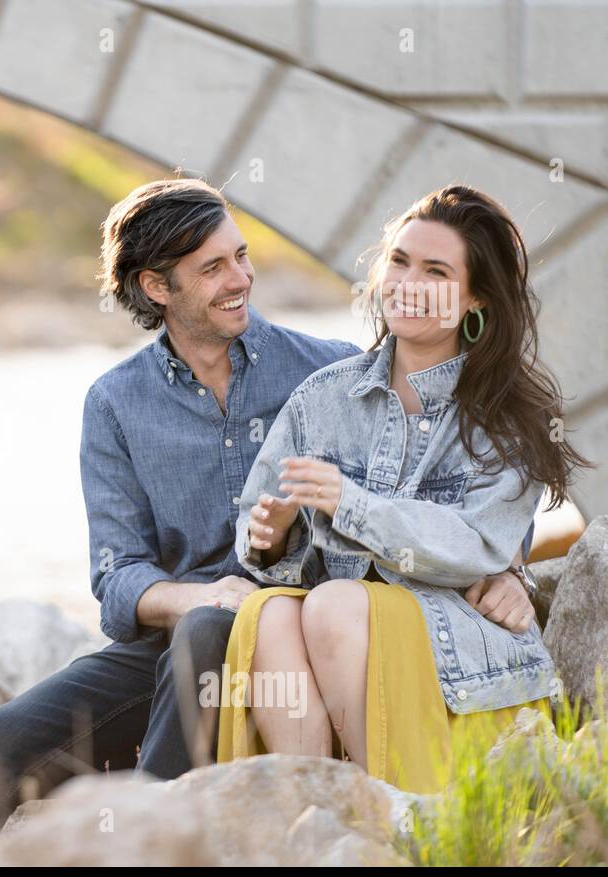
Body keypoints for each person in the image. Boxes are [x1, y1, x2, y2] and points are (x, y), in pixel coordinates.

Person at [0, 178, 537, 866]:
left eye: (242, 257)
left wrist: (509, 566)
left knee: (208, 637)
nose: (241, 279)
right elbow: (117, 577)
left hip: (297, 633)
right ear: (157, 288)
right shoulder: (115, 404)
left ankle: (148, 838)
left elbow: (458, 468)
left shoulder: (329, 372)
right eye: (213, 268)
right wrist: (202, 595)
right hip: (179, 638)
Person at [223, 184, 589, 792]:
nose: (408, 283)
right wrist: (270, 536)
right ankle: (317, 817)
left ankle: (396, 814)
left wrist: (352, 503)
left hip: (461, 657)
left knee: (334, 603)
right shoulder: (323, 397)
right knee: (266, 616)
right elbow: (258, 535)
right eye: (399, 261)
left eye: (437, 271)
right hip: (339, 629)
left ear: (477, 300)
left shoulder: (507, 417)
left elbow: (478, 547)